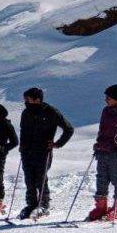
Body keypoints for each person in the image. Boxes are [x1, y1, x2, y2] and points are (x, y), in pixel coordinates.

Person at [18, 87, 74, 219]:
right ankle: (31, 204)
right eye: (25, 100)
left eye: (28, 100)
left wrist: (57, 144)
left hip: (43, 151)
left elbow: (69, 129)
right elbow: (23, 130)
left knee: (40, 178)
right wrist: (22, 145)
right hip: (27, 151)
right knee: (29, 179)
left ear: (38, 100)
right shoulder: (26, 113)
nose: (26, 102)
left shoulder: (51, 112)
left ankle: (44, 204)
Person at [86, 85, 117, 221]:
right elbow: (102, 129)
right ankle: (101, 207)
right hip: (103, 150)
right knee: (101, 179)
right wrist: (98, 143)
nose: (106, 100)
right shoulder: (106, 111)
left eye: (109, 97)